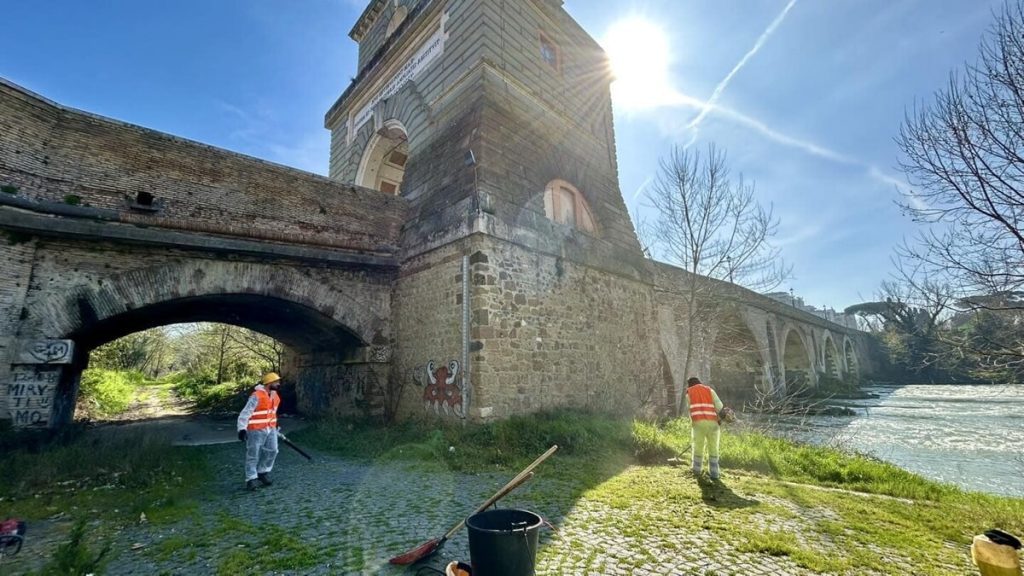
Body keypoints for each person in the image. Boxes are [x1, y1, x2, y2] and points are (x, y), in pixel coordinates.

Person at [237, 372, 282, 491]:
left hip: (270, 428)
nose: (278, 384)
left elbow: (273, 413)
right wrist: (242, 429)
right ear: (269, 383)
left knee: (273, 450)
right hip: (256, 429)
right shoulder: (256, 396)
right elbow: (245, 413)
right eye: (276, 382)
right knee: (253, 455)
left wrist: (276, 426)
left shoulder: (275, 396)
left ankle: (263, 472)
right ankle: (251, 479)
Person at [684, 376, 724, 480]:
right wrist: (719, 418)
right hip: (713, 424)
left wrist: (692, 422)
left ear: (689, 384)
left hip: (698, 424)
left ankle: (696, 471)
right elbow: (719, 406)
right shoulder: (709, 390)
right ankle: (715, 474)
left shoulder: (689, 393)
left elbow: (690, 410)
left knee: (698, 447)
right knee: (713, 447)